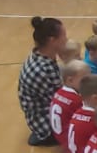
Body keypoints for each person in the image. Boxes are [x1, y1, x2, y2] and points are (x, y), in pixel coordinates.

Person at [19, 16, 70, 145]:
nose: (67, 40)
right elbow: (64, 103)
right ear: (52, 40)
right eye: (64, 36)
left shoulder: (41, 55)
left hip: (46, 111)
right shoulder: (42, 69)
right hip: (46, 127)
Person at [49, 59, 90, 148]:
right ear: (70, 80)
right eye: (84, 80)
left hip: (59, 137)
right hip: (72, 143)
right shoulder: (75, 100)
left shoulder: (58, 93)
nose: (88, 83)